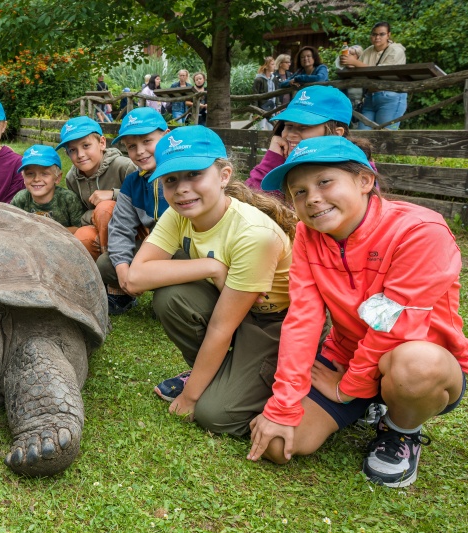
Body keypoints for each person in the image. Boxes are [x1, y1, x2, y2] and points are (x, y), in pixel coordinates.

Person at [248, 136, 468, 488]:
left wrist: (347, 389)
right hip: (346, 359)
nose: (312, 198)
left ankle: (402, 430)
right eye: (298, 191)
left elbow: (396, 325)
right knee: (278, 446)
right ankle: (370, 405)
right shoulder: (308, 235)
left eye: (325, 182)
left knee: (416, 365)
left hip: (416, 364)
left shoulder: (420, 230)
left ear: (365, 181)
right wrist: (283, 405)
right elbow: (303, 320)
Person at [127, 126, 295, 436]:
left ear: (223, 175)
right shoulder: (180, 213)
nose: (181, 189)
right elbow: (135, 277)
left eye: (194, 174)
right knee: (172, 297)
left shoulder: (254, 234)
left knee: (215, 415)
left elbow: (222, 326)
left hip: (273, 323)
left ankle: (266, 381)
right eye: (171, 180)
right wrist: (213, 266)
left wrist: (190, 399)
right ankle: (215, 374)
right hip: (232, 306)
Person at [101, 107, 170, 315]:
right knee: (106, 264)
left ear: (166, 136)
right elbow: (121, 227)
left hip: (184, 250)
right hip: (154, 248)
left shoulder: (182, 174)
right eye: (131, 146)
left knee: (166, 304)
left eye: (147, 141)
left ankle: (174, 291)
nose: (140, 151)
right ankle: (124, 294)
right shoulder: (132, 182)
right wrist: (122, 267)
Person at [245, 85, 355, 195]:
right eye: (288, 126)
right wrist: (272, 160)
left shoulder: (354, 174)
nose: (291, 135)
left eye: (304, 127)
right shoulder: (287, 165)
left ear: (336, 134)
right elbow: (248, 201)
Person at [56, 116, 138, 260]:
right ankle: (99, 273)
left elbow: (145, 198)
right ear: (67, 154)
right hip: (99, 228)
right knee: (81, 236)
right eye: (72, 150)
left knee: (104, 208)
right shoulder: (72, 178)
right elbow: (81, 214)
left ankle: (113, 260)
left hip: (133, 230)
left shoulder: (124, 167)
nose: (80, 155)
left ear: (102, 143)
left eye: (86, 146)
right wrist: (94, 218)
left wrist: (114, 195)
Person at [341, 22, 408, 130]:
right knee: (363, 136)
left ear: (388, 35)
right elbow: (360, 69)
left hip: (390, 96)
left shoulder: (396, 50)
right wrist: (349, 63)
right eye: (374, 34)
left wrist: (354, 62)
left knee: (384, 136)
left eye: (381, 34)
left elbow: (382, 73)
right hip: (370, 97)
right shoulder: (368, 50)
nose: (377, 37)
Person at [9, 145, 83, 230]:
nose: (36, 179)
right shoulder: (20, 199)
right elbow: (11, 225)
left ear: (57, 178)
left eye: (44, 173)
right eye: (30, 173)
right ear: (23, 177)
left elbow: (79, 229)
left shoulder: (68, 199)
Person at [335, 45, 365, 114]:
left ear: (358, 56)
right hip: (344, 104)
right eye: (348, 53)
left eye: (352, 54)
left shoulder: (363, 69)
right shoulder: (342, 69)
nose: (349, 56)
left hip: (359, 105)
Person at [252, 57, 278, 130]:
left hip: (272, 107)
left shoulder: (274, 78)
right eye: (272, 64)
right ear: (266, 66)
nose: (274, 66)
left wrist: (278, 106)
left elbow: (277, 93)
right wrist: (255, 112)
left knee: (273, 128)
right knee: (259, 129)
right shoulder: (258, 79)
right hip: (261, 108)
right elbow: (255, 96)